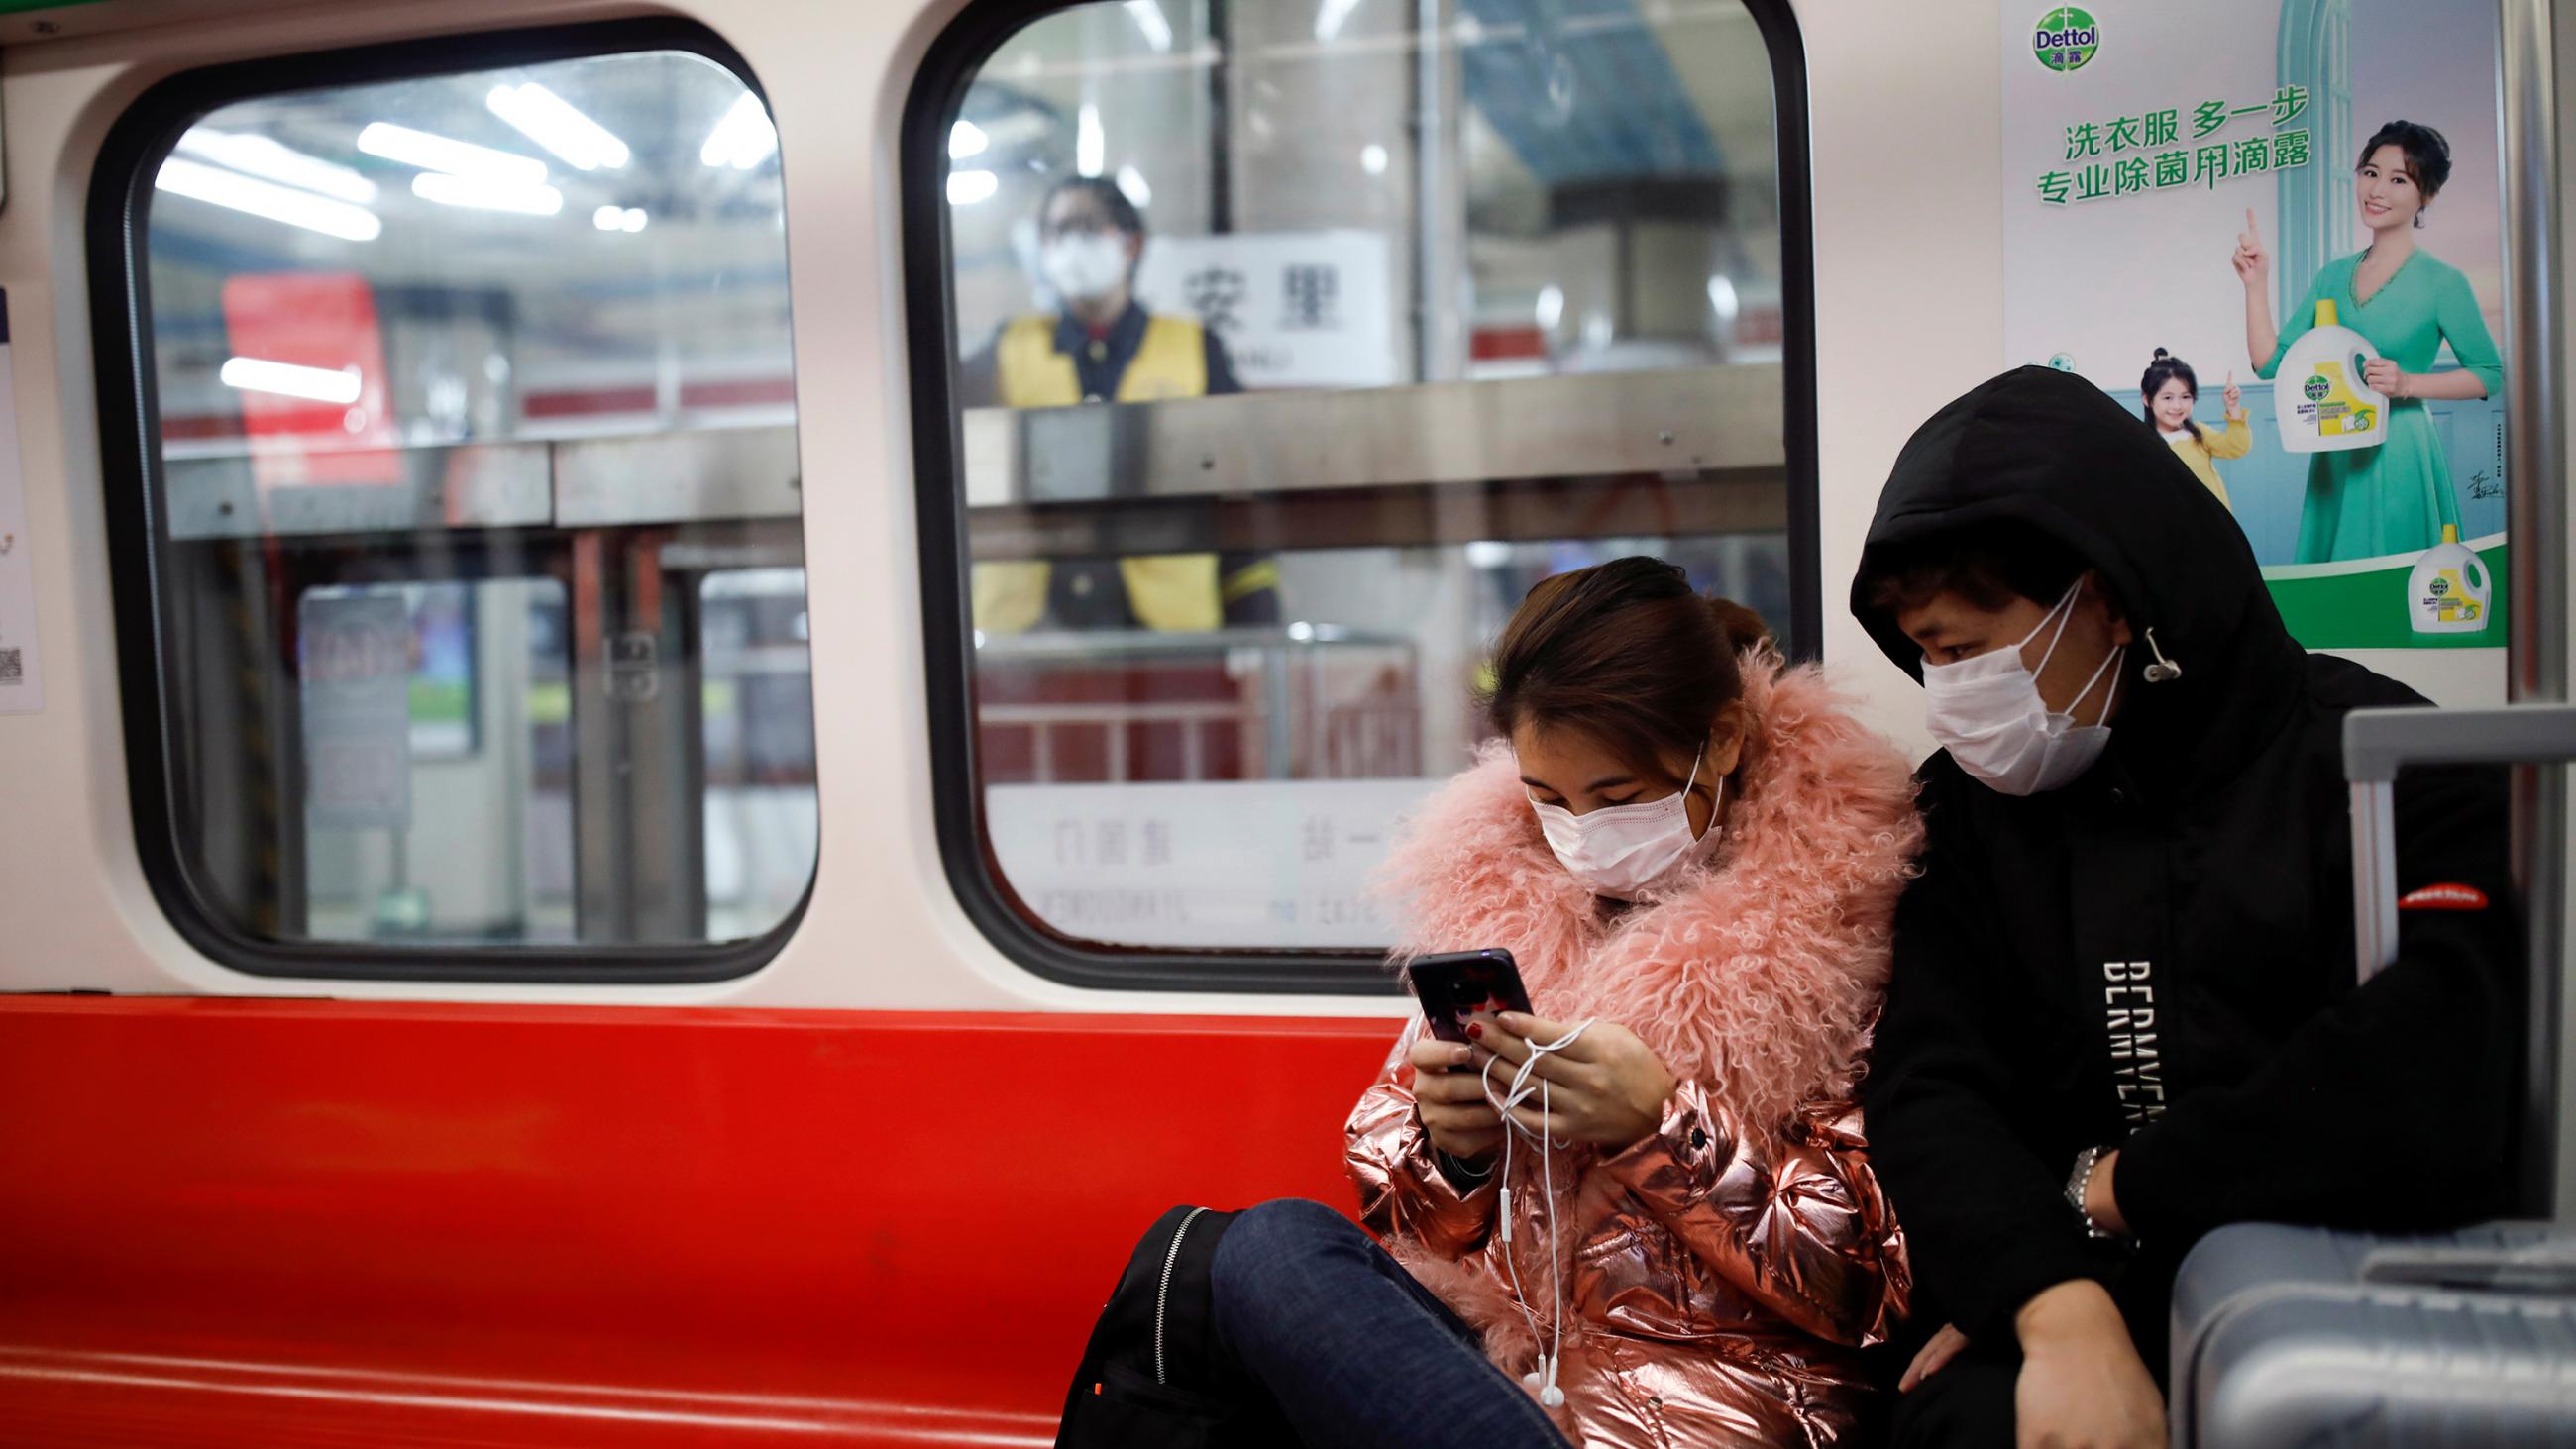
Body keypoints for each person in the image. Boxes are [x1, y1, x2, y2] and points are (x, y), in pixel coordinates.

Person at [1849, 365, 2518, 1447]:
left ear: (2106, 599)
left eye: (1963, 648)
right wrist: (2050, 1305)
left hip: (2333, 1279)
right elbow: (1930, 1087)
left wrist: (2121, 1186)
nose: (1946, 691)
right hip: (2067, 1282)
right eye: (1923, 655)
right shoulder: (1965, 812)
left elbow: (2428, 1054)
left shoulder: (2382, 761)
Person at [1203, 558, 1922, 1448]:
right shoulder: (1498, 905)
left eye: (1618, 798)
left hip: (1711, 1394)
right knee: (1264, 1249)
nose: (1583, 833)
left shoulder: (1844, 926)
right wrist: (1452, 1149)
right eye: (1549, 800)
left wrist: (1661, 1126)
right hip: (1491, 1365)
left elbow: (1869, 1282)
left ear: (1725, 739)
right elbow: (1406, 1221)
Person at [959, 176, 1278, 635]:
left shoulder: (1193, 349)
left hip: (1168, 633)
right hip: (1028, 636)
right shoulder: (1008, 348)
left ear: (1130, 244)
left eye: (1087, 226)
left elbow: (1243, 487)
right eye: (1055, 231)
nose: (1069, 242)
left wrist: (1255, 615)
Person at [2235, 120, 2506, 562]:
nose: (2377, 189)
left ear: (2427, 196)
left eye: (2398, 179)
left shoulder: (2443, 282)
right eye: (2370, 172)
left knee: (2394, 592)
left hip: (2399, 450)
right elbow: (2271, 364)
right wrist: (2255, 284)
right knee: (2335, 604)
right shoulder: (2332, 276)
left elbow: (2489, 375)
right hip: (2336, 451)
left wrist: (2407, 385)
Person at [2139, 348, 2248, 509]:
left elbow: (2237, 446)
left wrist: (2233, 408)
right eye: (2167, 398)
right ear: (2148, 400)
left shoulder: (2199, 434)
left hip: (2211, 524)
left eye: (2185, 397)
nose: (2177, 406)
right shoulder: (2142, 443)